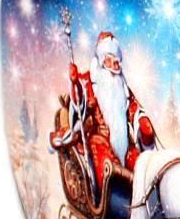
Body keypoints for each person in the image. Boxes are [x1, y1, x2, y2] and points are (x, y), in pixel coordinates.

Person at [49, 31, 155, 191]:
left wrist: (142, 122)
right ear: (101, 61)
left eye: (116, 63)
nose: (113, 68)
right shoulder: (89, 81)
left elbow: (134, 108)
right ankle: (113, 197)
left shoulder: (123, 88)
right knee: (110, 170)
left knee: (144, 170)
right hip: (99, 141)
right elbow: (78, 104)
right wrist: (75, 83)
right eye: (108, 61)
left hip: (126, 147)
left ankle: (147, 196)